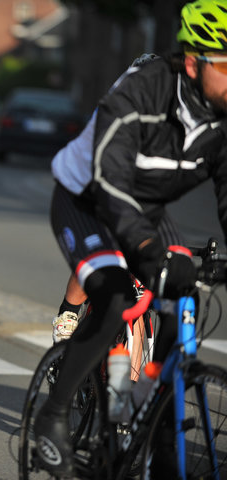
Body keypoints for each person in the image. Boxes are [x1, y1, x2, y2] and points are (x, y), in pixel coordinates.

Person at [33, 0, 227, 476]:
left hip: (146, 209)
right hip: (87, 199)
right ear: (192, 62)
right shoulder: (142, 92)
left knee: (184, 294)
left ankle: (154, 423)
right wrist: (144, 252)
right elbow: (110, 179)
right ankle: (52, 417)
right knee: (118, 295)